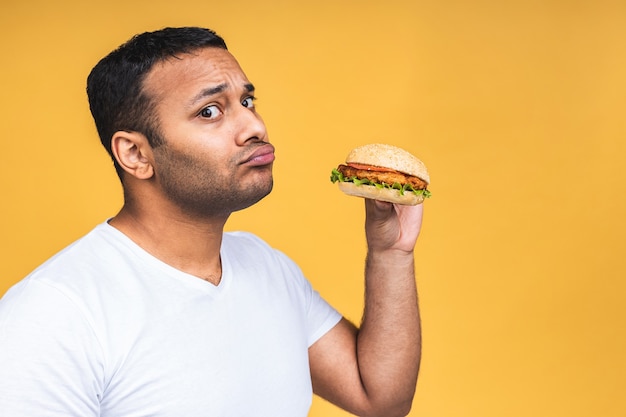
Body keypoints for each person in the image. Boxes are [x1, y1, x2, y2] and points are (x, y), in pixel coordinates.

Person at [0, 27, 423, 417]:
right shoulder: (53, 315)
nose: (254, 126)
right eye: (209, 111)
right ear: (135, 154)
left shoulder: (267, 266)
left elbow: (379, 397)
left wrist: (391, 252)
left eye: (247, 101)